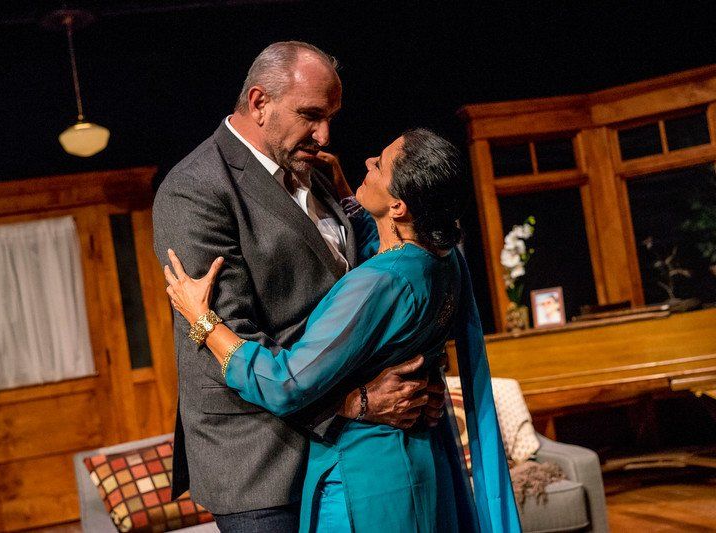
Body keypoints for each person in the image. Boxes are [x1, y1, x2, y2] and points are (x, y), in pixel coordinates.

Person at [164, 129, 522, 532]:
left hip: (365, 481)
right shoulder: (444, 263)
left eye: (380, 166)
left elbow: (287, 381)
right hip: (418, 464)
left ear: (400, 205)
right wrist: (349, 199)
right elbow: (385, 242)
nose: (368, 162)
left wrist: (203, 321)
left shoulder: (376, 284)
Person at [153, 41, 446, 532]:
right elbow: (224, 335)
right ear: (259, 102)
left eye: (330, 116)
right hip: (263, 461)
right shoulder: (196, 189)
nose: (324, 133)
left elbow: (368, 289)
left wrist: (418, 379)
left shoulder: (315, 169)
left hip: (347, 452)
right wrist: (357, 402)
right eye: (310, 115)